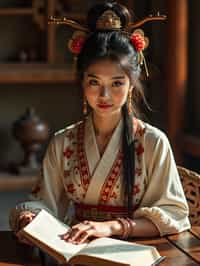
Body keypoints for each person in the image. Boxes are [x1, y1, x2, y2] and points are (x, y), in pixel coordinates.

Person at [10, 1, 190, 245]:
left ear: (131, 85)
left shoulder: (152, 142)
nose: (104, 96)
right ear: (82, 81)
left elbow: (174, 215)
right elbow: (46, 202)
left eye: (117, 83)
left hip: (135, 252)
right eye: (94, 82)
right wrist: (30, 217)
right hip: (76, 249)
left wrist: (112, 227)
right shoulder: (63, 142)